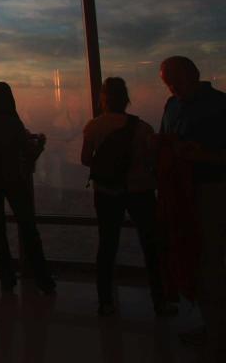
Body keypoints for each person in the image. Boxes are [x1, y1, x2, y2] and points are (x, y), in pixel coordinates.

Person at [81, 77, 173, 317]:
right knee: (150, 245)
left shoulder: (93, 126)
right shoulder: (142, 128)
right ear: (126, 99)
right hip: (140, 192)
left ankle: (105, 302)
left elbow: (85, 159)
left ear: (103, 99)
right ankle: (160, 300)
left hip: (106, 193)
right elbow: (152, 160)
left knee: (107, 245)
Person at [159, 56, 226, 358]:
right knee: (194, 256)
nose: (172, 88)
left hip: (212, 191)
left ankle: (217, 333)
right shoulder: (172, 106)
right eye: (168, 83)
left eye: (175, 81)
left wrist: (204, 156)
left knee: (210, 259)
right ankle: (211, 325)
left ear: (194, 75)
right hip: (181, 194)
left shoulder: (219, 106)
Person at [0, 82, 55, 294]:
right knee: (27, 227)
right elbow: (28, 154)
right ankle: (43, 279)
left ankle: (6, 279)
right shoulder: (14, 125)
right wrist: (41, 144)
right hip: (14, 180)